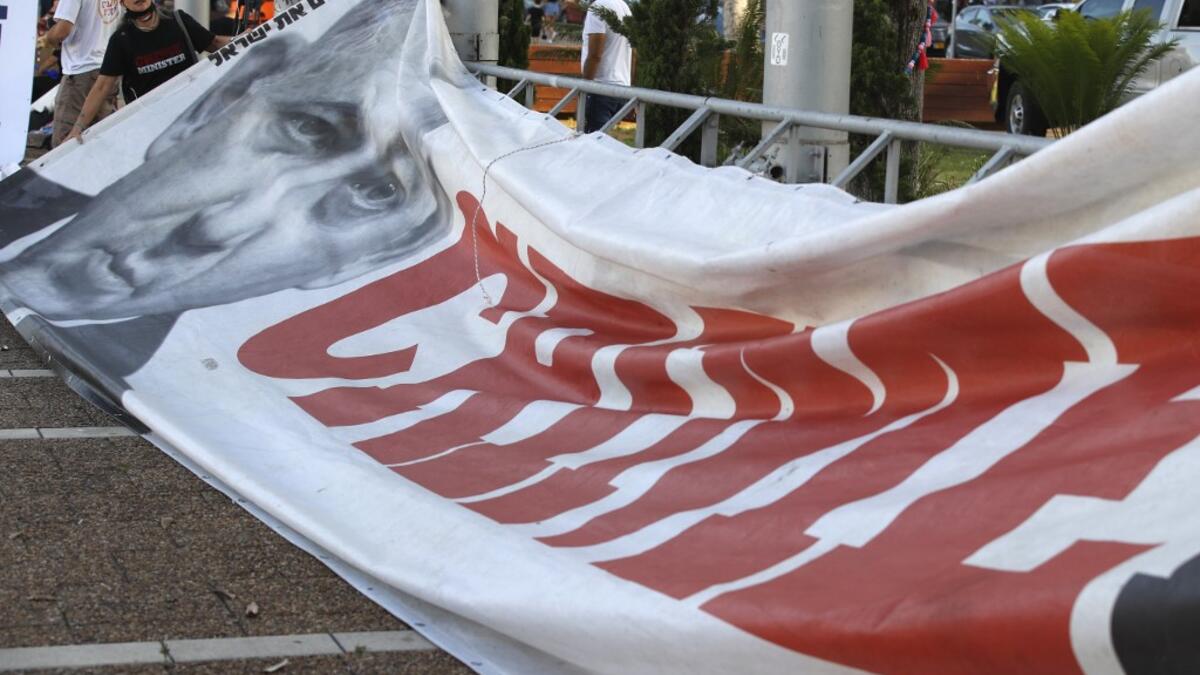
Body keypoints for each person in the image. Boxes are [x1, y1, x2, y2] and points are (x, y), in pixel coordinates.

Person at [0, 0, 452, 398]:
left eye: (377, 193)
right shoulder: (123, 42)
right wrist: (78, 127)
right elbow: (108, 81)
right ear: (214, 102)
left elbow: (213, 43)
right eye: (308, 128)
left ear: (378, 255)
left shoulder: (184, 400)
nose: (218, 228)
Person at [65, 0, 229, 142]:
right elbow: (102, 86)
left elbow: (214, 43)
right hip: (151, 126)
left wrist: (247, 38)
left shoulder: (178, 21)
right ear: (123, 3)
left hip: (193, 116)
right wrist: (78, 128)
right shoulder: (121, 39)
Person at [42, 0, 124, 147]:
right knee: (100, 140)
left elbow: (62, 31)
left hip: (81, 72)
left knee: (65, 144)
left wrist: (49, 37)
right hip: (108, 70)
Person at [578, 0, 632, 134]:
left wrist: (584, 89)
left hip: (600, 89)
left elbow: (595, 55)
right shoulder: (624, 7)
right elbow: (632, 52)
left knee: (592, 144)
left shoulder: (598, 7)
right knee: (603, 144)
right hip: (622, 87)